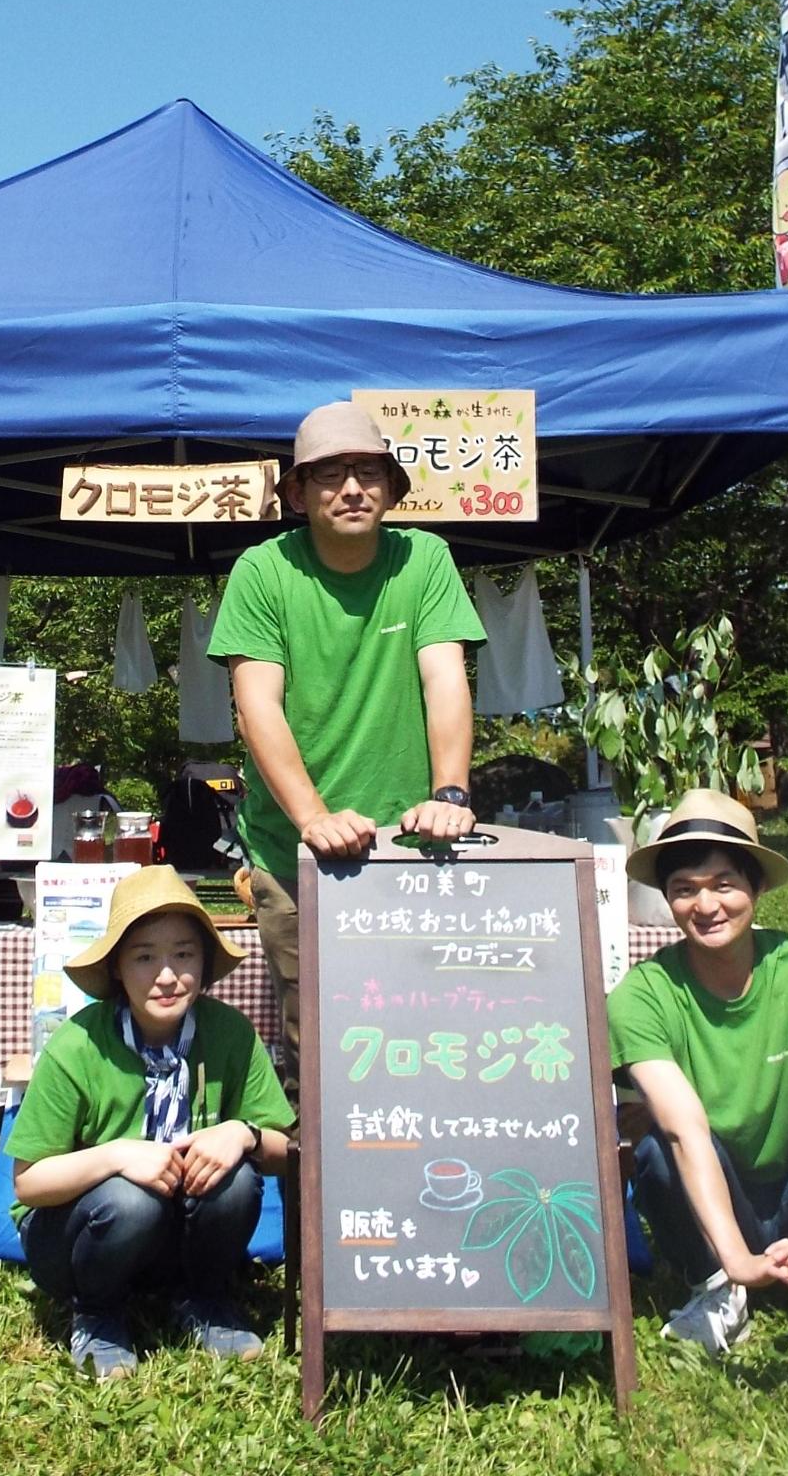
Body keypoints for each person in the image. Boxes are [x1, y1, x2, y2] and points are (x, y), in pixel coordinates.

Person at [208, 399, 486, 1081]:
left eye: (369, 472)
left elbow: (444, 680)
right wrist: (313, 818)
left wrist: (450, 792)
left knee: (430, 1031)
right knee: (323, 1051)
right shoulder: (263, 571)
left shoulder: (424, 559)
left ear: (392, 487)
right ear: (297, 494)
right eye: (331, 476)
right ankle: (320, 1189)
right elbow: (257, 708)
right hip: (292, 850)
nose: (354, 489)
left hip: (416, 844)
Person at [607, 790, 788, 1361]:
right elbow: (683, 1130)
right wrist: (737, 1260)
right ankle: (715, 1286)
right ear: (667, 898)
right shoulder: (641, 996)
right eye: (684, 888)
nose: (706, 904)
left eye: (724, 883)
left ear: (757, 888)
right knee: (653, 1156)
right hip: (715, 1193)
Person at [10, 868, 294, 1378]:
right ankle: (98, 1313)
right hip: (77, 1237)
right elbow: (29, 1183)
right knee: (128, 1198)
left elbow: (284, 1151)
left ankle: (203, 1300)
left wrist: (243, 1134)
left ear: (205, 964)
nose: (167, 975)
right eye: (144, 957)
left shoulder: (229, 1032)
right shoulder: (78, 1044)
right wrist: (116, 1155)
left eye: (184, 954)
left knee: (238, 1178)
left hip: (179, 1228)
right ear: (117, 968)